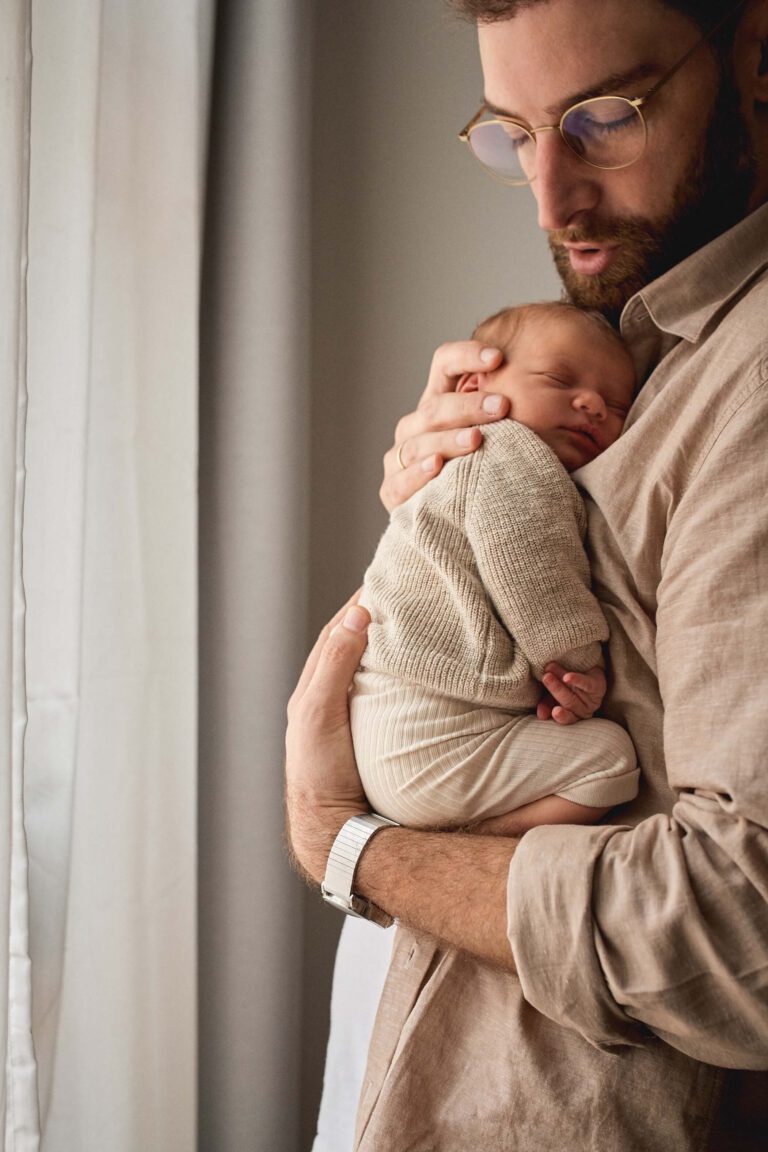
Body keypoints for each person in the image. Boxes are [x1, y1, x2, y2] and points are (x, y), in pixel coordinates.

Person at [286, 0, 768, 1148]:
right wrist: (442, 510)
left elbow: (743, 930)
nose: (554, 201)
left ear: (756, 51)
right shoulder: (626, 343)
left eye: (605, 118)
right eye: (513, 133)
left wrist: (349, 845)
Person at [352, 301, 638, 831]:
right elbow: (533, 574)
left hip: (397, 725)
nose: (594, 404)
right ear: (470, 390)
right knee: (611, 760)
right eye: (559, 379)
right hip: (435, 730)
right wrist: (579, 666)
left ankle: (442, 839)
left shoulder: (464, 466)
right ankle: (465, 845)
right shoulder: (509, 451)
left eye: (619, 405)